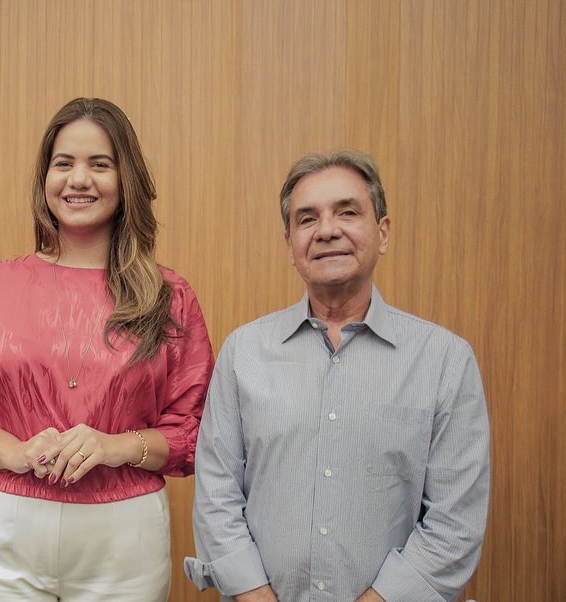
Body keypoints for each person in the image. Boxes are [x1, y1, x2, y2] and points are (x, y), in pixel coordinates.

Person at [0, 97, 214, 601]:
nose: (79, 179)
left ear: (126, 179)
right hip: (3, 532)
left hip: (125, 541)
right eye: (64, 163)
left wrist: (116, 445)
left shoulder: (169, 295)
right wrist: (16, 452)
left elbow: (193, 431)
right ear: (45, 178)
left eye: (99, 164)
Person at [185, 149, 490, 602]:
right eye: (307, 219)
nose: (326, 230)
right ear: (290, 243)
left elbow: (454, 523)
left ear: (382, 232)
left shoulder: (445, 360)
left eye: (347, 212)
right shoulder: (242, 353)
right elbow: (216, 495)